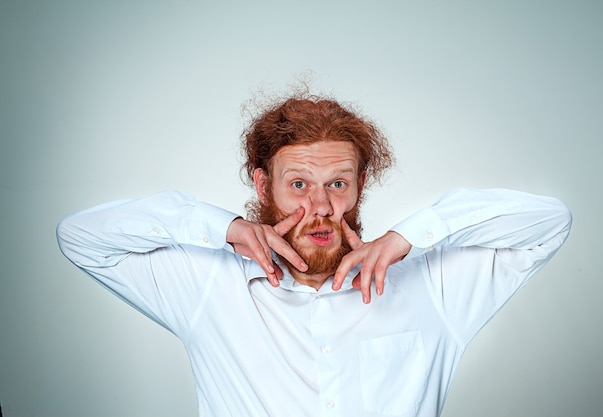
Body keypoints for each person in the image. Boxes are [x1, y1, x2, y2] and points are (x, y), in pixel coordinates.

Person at [57, 93, 572, 417]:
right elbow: (80, 237)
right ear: (264, 186)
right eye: (299, 183)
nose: (320, 207)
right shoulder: (208, 286)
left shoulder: (432, 286)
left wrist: (411, 235)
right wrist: (223, 228)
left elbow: (549, 223)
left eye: (338, 184)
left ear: (361, 186)